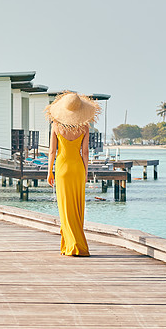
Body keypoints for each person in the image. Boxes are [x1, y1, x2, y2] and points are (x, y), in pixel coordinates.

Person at [45, 91, 101, 256]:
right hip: (77, 168)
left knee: (65, 208)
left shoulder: (56, 125)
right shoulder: (84, 127)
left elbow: (52, 151)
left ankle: (69, 245)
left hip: (62, 168)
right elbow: (85, 153)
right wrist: (85, 173)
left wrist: (50, 172)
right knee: (77, 208)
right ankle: (78, 245)